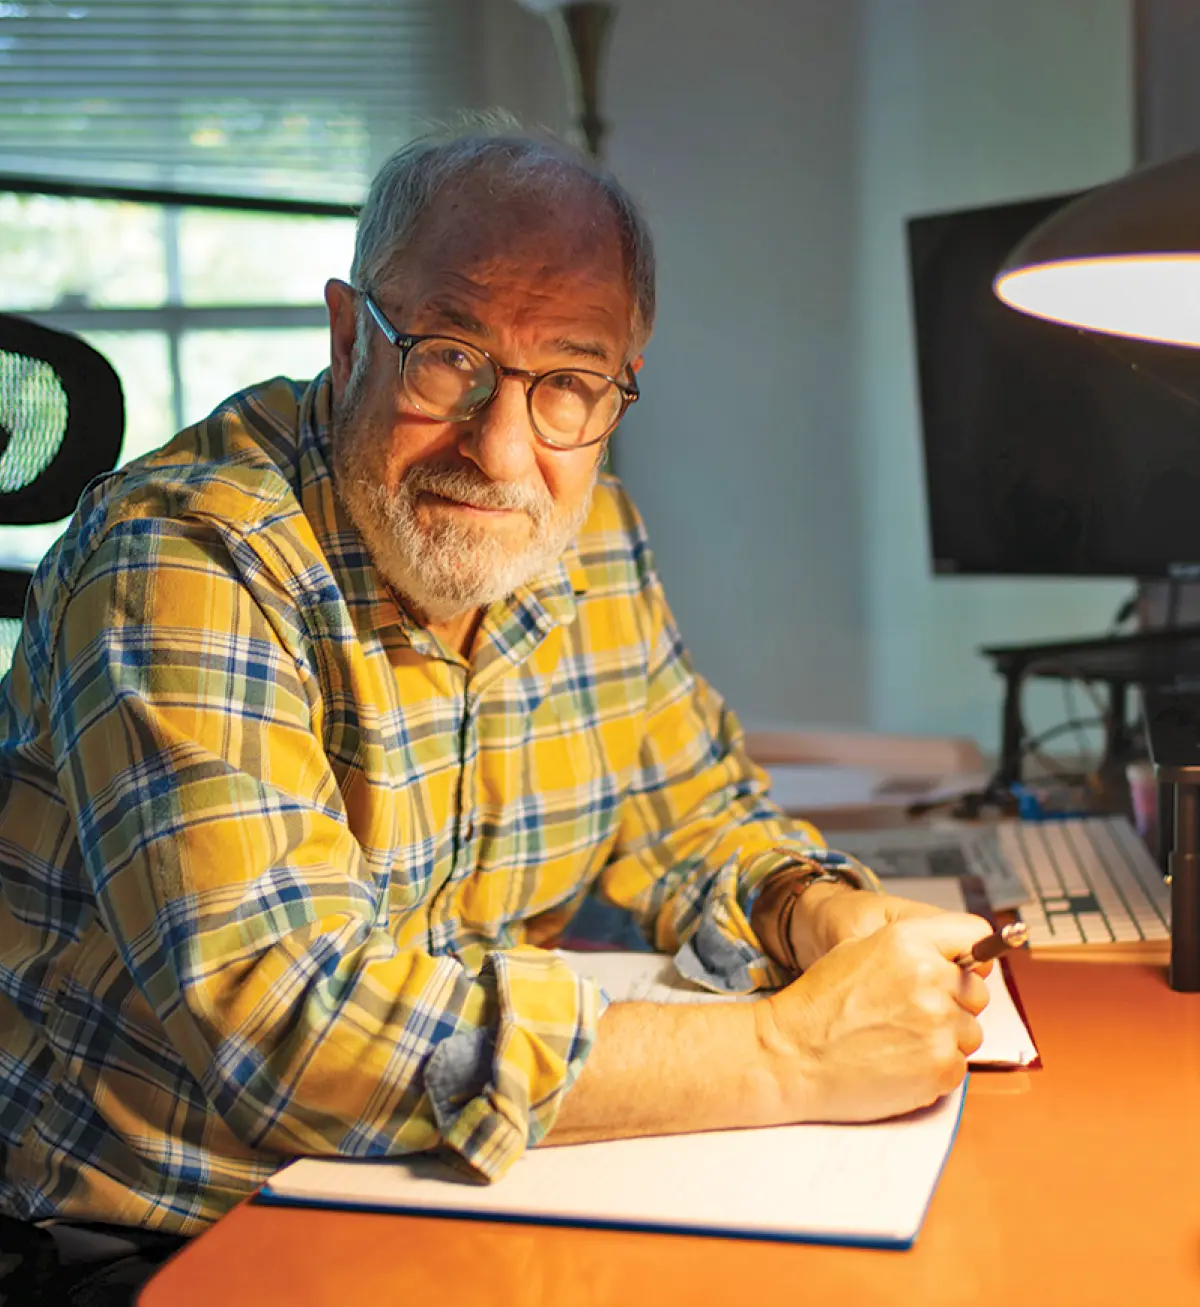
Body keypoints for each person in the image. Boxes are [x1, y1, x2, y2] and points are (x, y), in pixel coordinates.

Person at [0, 120, 992, 1270]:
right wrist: (789, 1051)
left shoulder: (585, 527)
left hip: (439, 1192)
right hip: (166, 1241)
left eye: (569, 381)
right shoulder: (185, 557)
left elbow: (691, 810)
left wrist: (806, 906)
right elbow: (286, 1025)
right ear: (349, 337)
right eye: (450, 356)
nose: (504, 452)